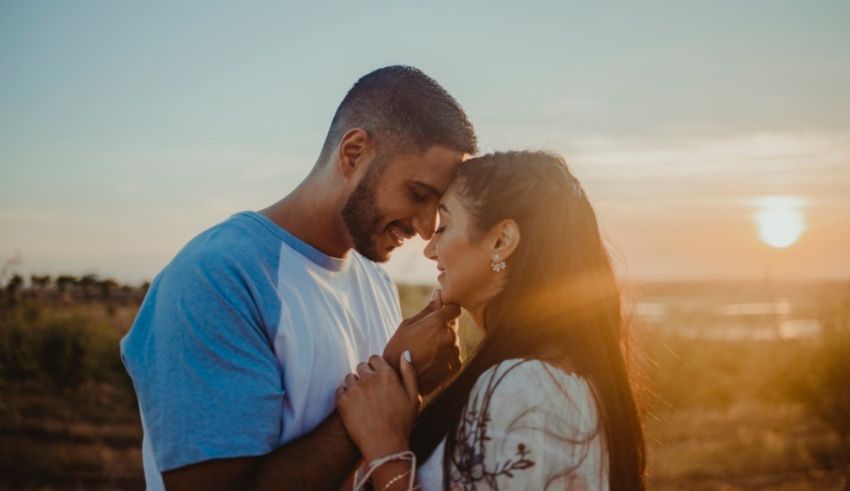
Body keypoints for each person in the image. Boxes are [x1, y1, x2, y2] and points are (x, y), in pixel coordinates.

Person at [119, 65, 477, 490]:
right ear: (353, 152)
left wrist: (411, 387)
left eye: (438, 207)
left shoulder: (375, 281)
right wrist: (396, 376)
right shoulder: (218, 278)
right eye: (417, 195)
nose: (424, 228)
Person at [336, 151, 647, 490]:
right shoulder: (549, 377)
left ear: (501, 240)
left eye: (444, 227)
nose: (429, 250)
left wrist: (387, 452)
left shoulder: (525, 386)